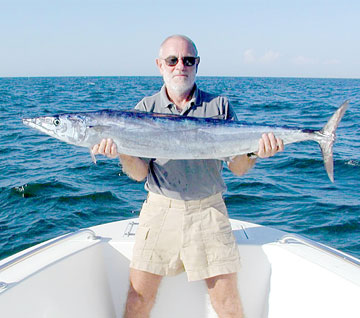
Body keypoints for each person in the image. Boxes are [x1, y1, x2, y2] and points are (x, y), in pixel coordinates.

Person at [92, 35, 284, 318]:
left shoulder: (218, 106)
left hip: (209, 210)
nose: (180, 66)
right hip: (159, 210)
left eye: (188, 60)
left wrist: (255, 152)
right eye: (172, 60)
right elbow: (138, 174)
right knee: (137, 299)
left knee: (227, 302)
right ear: (160, 65)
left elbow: (237, 168)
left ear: (197, 64)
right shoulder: (144, 109)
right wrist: (122, 152)